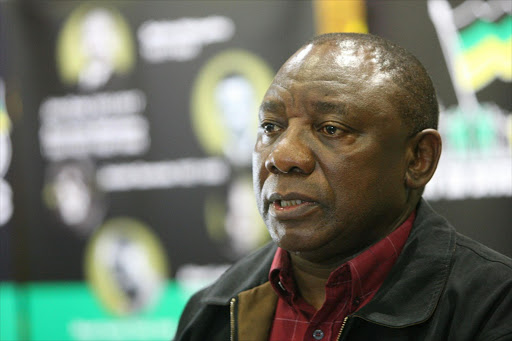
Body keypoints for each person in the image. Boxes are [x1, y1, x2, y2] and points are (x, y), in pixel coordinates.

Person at [175, 33, 512, 341]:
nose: (281, 156)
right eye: (270, 126)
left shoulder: (493, 307)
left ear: (418, 160)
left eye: (331, 129)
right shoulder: (211, 312)